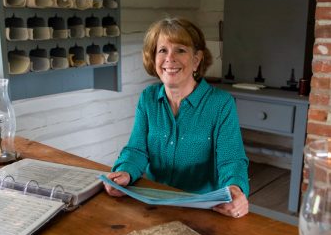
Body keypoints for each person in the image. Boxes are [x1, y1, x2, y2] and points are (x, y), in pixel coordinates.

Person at [104, 17, 249, 218]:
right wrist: (125, 172)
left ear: (196, 60)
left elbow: (231, 160)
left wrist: (235, 189)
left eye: (180, 50)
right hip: (153, 203)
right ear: (153, 58)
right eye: (162, 50)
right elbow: (137, 149)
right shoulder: (148, 98)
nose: (169, 58)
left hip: (203, 208)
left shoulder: (221, 104)